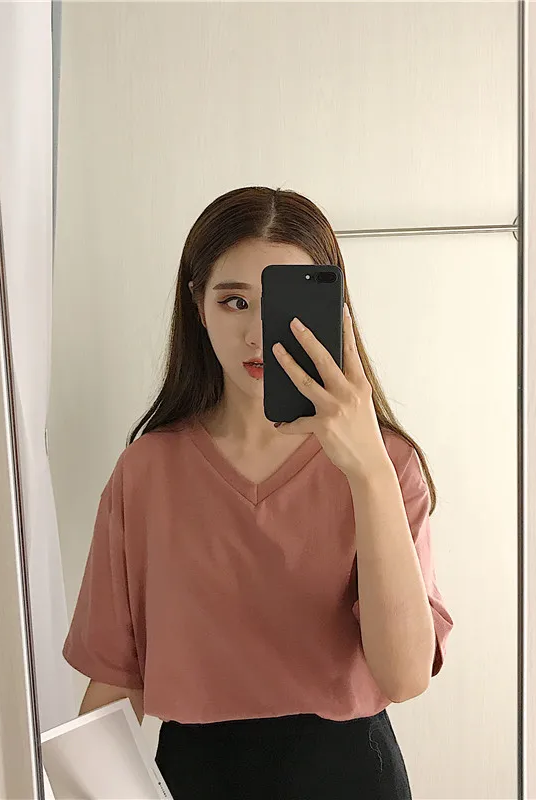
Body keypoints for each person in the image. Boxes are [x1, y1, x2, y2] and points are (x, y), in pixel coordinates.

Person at [62, 186, 454, 800]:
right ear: (198, 306)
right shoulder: (146, 473)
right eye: (235, 301)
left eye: (284, 304)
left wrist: (369, 473)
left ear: (332, 312)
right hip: (193, 779)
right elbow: (114, 683)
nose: (258, 334)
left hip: (352, 780)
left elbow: (404, 677)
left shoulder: (387, 465)